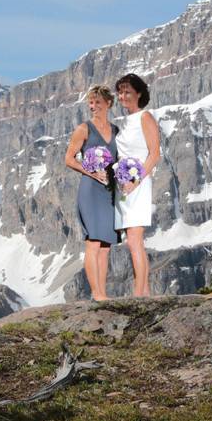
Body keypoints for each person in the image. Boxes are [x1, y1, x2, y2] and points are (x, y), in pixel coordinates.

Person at [64, 86, 121, 301]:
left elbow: (119, 159)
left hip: (109, 190)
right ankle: (96, 294)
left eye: (97, 102)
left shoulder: (116, 130)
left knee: (105, 245)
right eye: (90, 103)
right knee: (94, 242)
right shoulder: (83, 129)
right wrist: (90, 170)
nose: (93, 106)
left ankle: (102, 293)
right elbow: (69, 158)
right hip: (90, 189)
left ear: (108, 103)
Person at [114, 73, 160, 297]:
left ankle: (140, 293)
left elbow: (154, 154)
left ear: (139, 94)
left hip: (138, 184)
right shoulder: (126, 121)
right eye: (120, 92)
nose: (123, 96)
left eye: (127, 92)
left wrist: (136, 180)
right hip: (124, 185)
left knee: (135, 240)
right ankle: (144, 291)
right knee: (131, 240)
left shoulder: (145, 117)